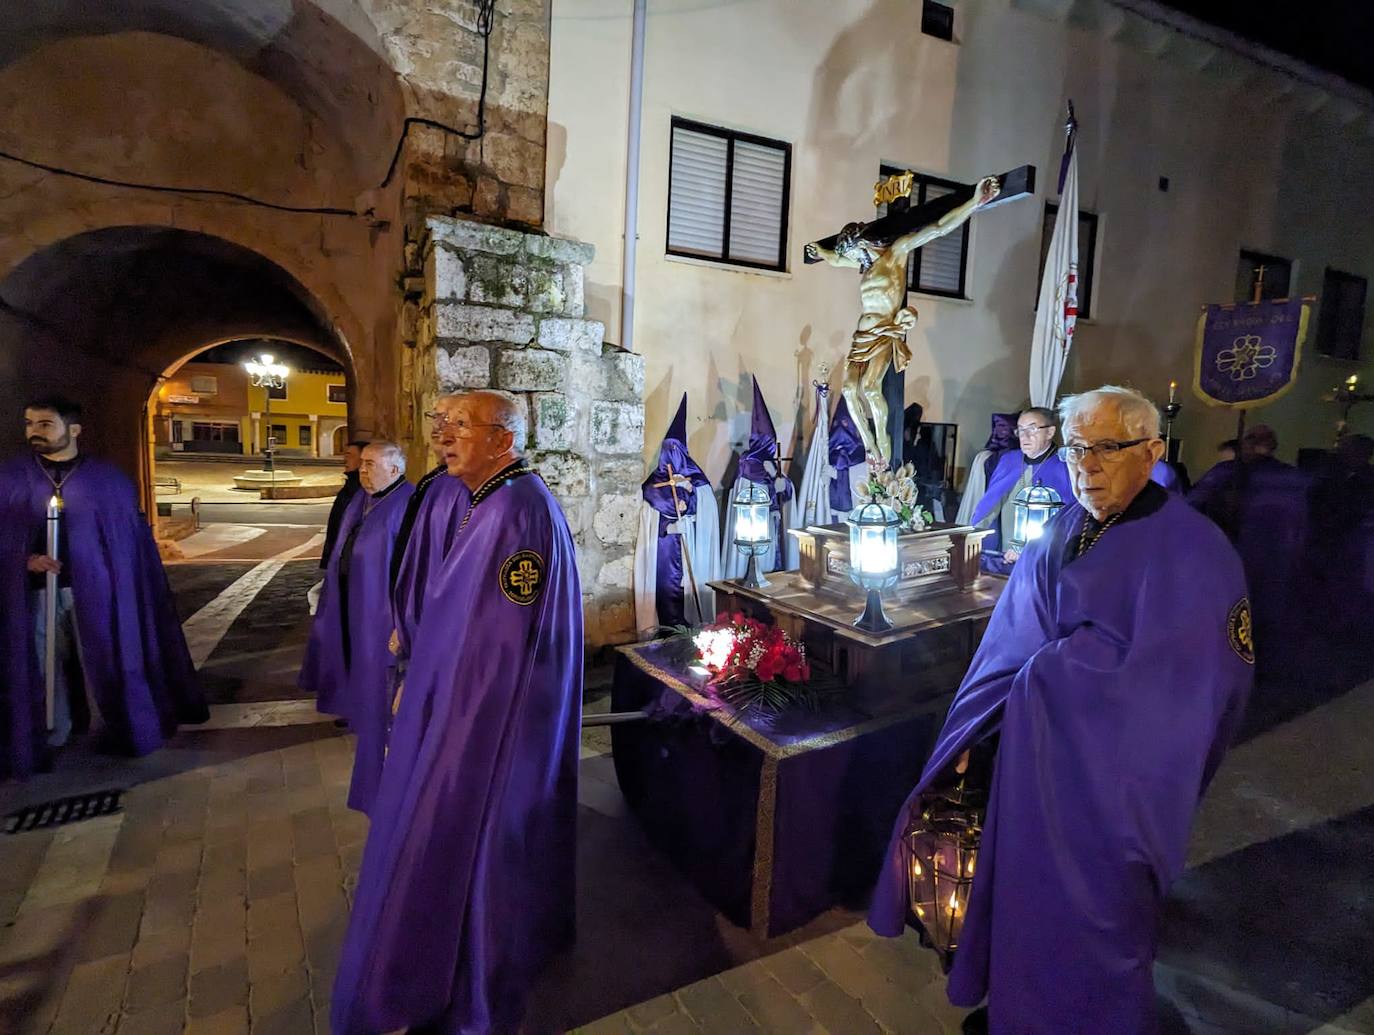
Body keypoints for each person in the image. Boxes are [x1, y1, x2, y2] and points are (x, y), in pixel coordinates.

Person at [870, 385, 1253, 1035]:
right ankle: (1022, 1015)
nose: (1086, 464)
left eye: (1107, 447)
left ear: (1153, 450)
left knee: (1101, 915)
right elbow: (1011, 639)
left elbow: (1199, 683)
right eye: (1078, 448)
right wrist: (981, 724)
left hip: (1113, 791)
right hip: (1031, 770)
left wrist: (1051, 677)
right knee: (1024, 902)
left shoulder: (1195, 550)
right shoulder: (1063, 528)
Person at [332, 390, 582, 1035]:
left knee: (469, 828)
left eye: (458, 427)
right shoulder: (477, 496)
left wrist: (449, 713)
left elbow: (502, 642)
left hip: (488, 716)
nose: (441, 436)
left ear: (502, 438)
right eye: (439, 424)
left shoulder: (519, 513)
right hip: (451, 698)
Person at [0, 397, 207, 778]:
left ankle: (116, 726)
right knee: (43, 663)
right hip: (34, 594)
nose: (34, 432)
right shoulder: (11, 478)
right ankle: (52, 731)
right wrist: (22, 561)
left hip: (98, 593)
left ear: (73, 430)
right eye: (29, 424)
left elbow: (129, 544)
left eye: (45, 424)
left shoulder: (106, 482)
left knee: (106, 657)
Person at [299, 441, 413, 814]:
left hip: (378, 609)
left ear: (394, 471)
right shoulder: (361, 499)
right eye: (361, 464)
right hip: (351, 601)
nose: (362, 471)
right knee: (350, 655)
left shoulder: (406, 504)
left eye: (370, 465)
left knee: (375, 667)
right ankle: (354, 707)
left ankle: (373, 720)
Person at [1187, 424, 1310, 678]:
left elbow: (1300, 518)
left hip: (1270, 559)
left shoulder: (1289, 478)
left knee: (1259, 618)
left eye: (1260, 440)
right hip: (1233, 554)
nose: (1255, 445)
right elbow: (1193, 505)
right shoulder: (1227, 474)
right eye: (1251, 439)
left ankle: (1257, 668)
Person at [388, 396, 472, 695]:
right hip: (414, 620)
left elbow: (444, 568)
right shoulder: (437, 481)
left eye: (450, 420)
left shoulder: (458, 489)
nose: (440, 428)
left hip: (432, 629)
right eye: (435, 417)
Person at [969, 407, 1073, 573]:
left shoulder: (1065, 466)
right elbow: (989, 508)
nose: (1025, 436)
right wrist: (974, 542)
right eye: (1021, 430)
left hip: (1044, 557)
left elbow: (1068, 518)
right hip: (1004, 554)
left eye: (1032, 429)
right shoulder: (1008, 460)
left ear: (1050, 432)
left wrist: (1033, 550)